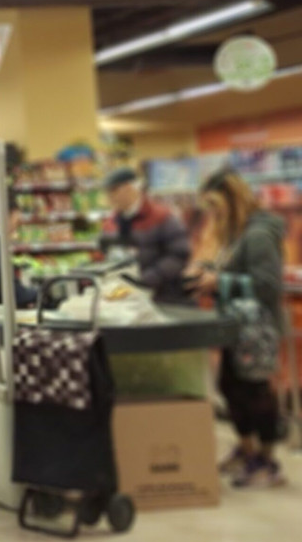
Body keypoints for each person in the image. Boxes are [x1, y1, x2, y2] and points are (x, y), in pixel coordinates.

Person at [186, 170, 286, 488]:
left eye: (216, 206)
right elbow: (238, 270)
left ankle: (268, 461)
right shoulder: (237, 233)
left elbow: (268, 285)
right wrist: (208, 272)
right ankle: (247, 449)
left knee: (256, 392)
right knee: (230, 387)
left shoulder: (258, 234)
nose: (213, 214)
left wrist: (220, 281)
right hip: (235, 327)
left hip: (258, 329)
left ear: (233, 199)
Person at [104, 168, 193, 304]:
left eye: (113, 191)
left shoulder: (163, 217)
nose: (110, 197)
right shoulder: (112, 221)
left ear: (129, 188)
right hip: (127, 298)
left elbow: (179, 254)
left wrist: (148, 278)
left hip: (164, 297)